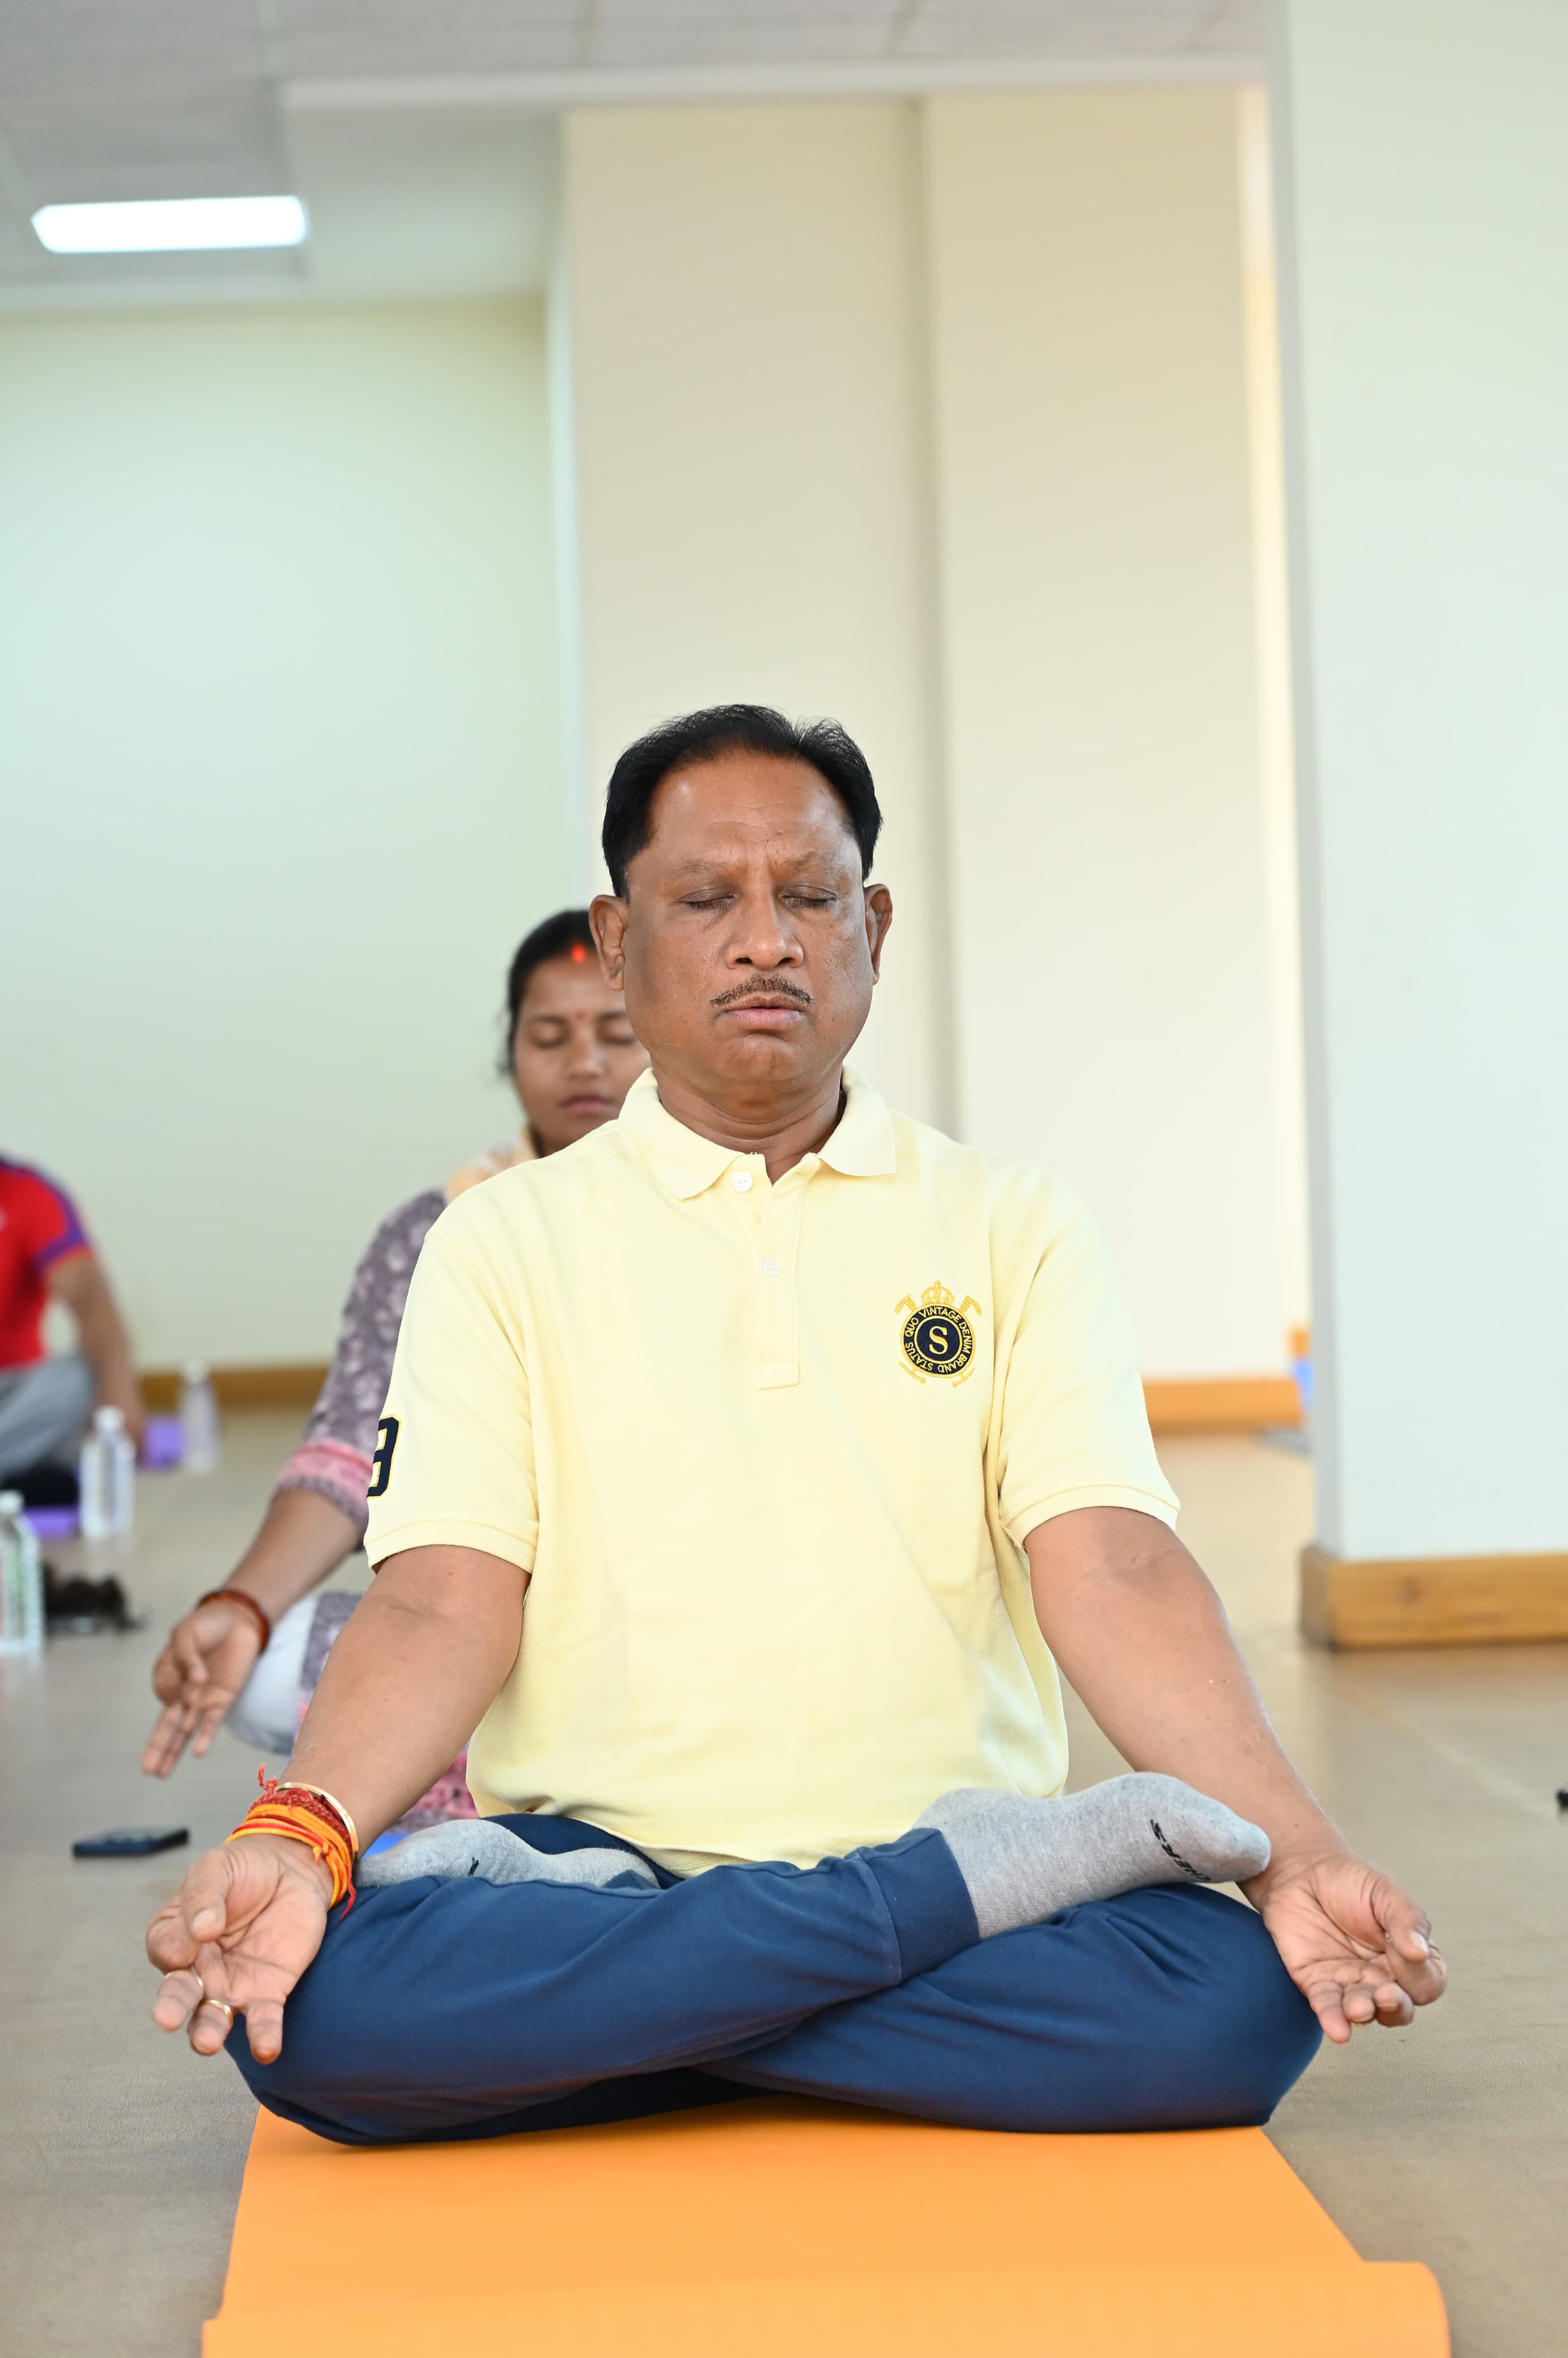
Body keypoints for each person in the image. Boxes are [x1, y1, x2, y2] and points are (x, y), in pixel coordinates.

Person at [147, 705, 1445, 2145]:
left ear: (872, 927)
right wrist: (301, 1830)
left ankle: (643, 2028)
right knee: (313, 2016)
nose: (766, 939)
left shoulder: (1014, 1222)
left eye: (811, 896)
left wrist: (1300, 1854)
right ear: (619, 934)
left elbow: (1114, 1566)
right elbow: (445, 1599)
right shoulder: (498, 1241)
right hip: (611, 1867)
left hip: (858, 1842)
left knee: (1234, 2003)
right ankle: (921, 1910)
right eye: (708, 899)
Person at [139, 911, 648, 1818]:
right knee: (271, 1660)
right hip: (480, 1621)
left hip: (659, 1616)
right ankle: (530, 1801)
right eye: (549, 1036)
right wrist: (243, 1605)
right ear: (511, 1053)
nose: (585, 1063)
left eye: (616, 1034)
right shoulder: (437, 1228)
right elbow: (348, 1449)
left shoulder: (712, 1209)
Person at [0, 1156, 145, 1495]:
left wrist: (119, 1394)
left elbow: (90, 1299)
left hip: (15, 1397)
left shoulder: (26, 1191)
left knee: (82, 1378)